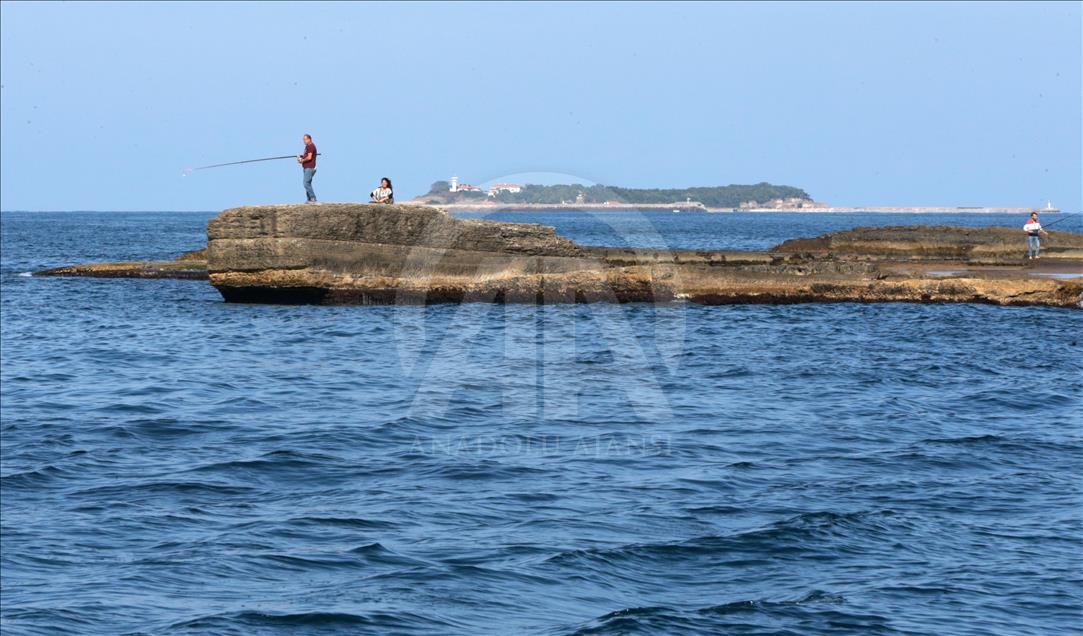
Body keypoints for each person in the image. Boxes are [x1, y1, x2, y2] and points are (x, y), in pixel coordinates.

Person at [297, 134, 317, 203]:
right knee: (308, 183)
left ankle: (313, 198)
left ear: (309, 139)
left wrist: (302, 160)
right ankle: (309, 199)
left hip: (310, 167)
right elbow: (307, 155)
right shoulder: (307, 147)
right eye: (303, 139)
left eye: (305, 139)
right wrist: (301, 157)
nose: (304, 141)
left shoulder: (311, 146)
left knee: (306, 183)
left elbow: (309, 157)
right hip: (306, 167)